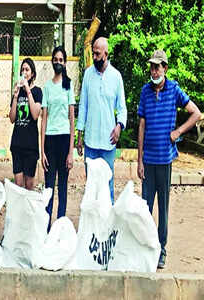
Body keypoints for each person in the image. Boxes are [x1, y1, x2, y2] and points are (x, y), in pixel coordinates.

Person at [137, 49, 201, 269]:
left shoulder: (174, 89)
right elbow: (142, 125)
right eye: (152, 66)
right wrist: (139, 160)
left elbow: (196, 113)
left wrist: (178, 132)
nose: (154, 70)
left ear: (165, 68)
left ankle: (161, 250)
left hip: (165, 160)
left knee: (163, 208)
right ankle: (145, 248)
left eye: (157, 66)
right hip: (148, 160)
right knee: (145, 208)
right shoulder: (145, 91)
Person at [76, 37, 127, 204]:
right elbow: (83, 105)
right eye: (94, 53)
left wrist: (119, 126)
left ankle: (107, 225)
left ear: (106, 54)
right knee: (91, 186)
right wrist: (80, 134)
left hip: (108, 141)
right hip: (90, 141)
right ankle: (92, 227)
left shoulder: (116, 76)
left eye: (98, 54)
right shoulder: (88, 74)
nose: (95, 56)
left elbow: (122, 108)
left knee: (107, 185)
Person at [41, 46, 75, 231]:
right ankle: (45, 229)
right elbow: (44, 119)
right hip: (50, 141)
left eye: (61, 59)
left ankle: (60, 229)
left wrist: (70, 152)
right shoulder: (47, 87)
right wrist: (42, 150)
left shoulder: (68, 85)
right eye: (56, 59)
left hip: (64, 140)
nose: (58, 62)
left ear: (65, 62)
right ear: (52, 61)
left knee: (62, 187)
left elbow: (71, 118)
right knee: (48, 188)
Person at [9, 57, 42, 190]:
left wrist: (28, 90)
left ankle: (28, 211)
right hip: (17, 144)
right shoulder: (17, 91)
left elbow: (35, 115)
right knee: (18, 185)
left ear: (32, 73)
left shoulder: (37, 91)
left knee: (29, 185)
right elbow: (12, 118)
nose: (24, 72)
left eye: (27, 70)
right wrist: (16, 96)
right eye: (22, 69)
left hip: (30, 146)